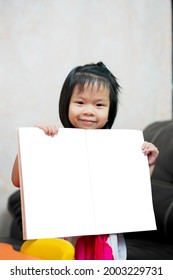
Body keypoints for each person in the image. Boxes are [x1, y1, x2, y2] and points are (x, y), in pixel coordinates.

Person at [11, 61, 159, 260]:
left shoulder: (117, 148)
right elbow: (18, 181)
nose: (89, 110)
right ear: (67, 105)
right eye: (80, 103)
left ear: (109, 112)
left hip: (105, 235)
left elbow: (131, 189)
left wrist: (147, 166)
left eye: (99, 105)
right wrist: (32, 145)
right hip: (65, 231)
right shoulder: (52, 140)